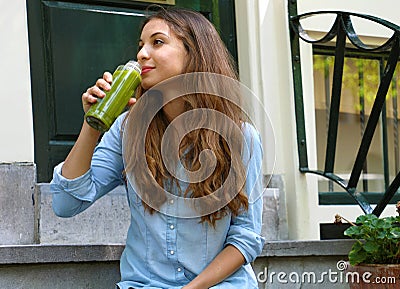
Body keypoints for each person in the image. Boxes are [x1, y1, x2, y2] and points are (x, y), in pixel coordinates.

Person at [50, 7, 265, 289]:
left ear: (194, 53)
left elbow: (246, 237)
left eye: (157, 42)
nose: (141, 54)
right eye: (141, 46)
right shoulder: (128, 129)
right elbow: (66, 204)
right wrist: (93, 123)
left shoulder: (241, 137)